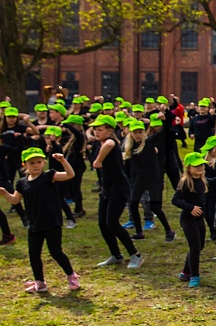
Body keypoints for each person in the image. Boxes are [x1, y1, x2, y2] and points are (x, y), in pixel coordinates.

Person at [1, 147, 78, 293]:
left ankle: (71, 275)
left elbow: (70, 174)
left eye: (39, 162)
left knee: (55, 252)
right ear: (24, 165)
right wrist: (4, 193)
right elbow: (15, 200)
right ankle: (40, 283)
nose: (36, 165)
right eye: (32, 163)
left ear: (44, 162)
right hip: (34, 224)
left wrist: (62, 160)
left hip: (52, 222)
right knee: (33, 254)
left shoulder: (49, 176)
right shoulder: (22, 183)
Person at [90, 115, 144, 269]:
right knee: (102, 223)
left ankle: (135, 255)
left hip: (118, 188)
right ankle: (116, 255)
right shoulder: (100, 142)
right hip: (107, 187)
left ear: (110, 130)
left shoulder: (110, 142)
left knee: (112, 222)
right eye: (95, 129)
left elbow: (107, 145)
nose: (96, 132)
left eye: (100, 129)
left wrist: (97, 161)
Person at [172, 152, 209, 288]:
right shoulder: (185, 183)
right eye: (196, 166)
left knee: (200, 246)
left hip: (199, 219)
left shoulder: (203, 181)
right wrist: (190, 208)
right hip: (188, 219)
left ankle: (185, 271)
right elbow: (175, 200)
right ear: (188, 168)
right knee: (194, 247)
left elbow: (214, 183)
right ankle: (194, 275)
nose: (200, 168)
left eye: (201, 165)